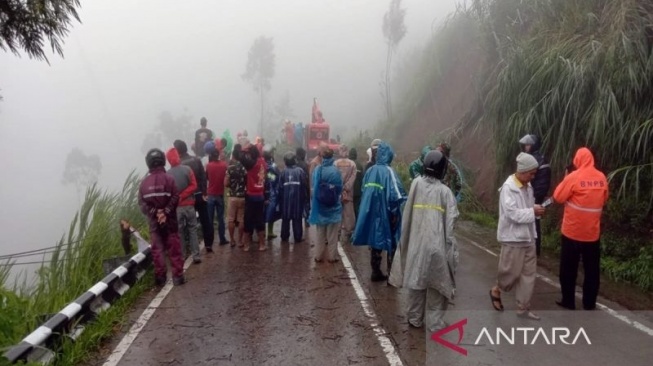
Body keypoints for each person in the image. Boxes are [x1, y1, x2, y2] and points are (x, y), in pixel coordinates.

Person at [389, 150, 459, 331]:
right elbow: (451, 223)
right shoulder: (446, 192)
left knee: (416, 283)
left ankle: (414, 319)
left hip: (416, 245)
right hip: (437, 248)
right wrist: (451, 251)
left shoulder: (415, 184)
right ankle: (435, 323)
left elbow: (407, 215)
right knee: (437, 287)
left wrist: (405, 240)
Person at [489, 152, 544, 320]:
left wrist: (535, 209)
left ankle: (523, 307)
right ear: (522, 170)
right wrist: (532, 211)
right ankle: (497, 289)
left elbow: (526, 208)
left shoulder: (528, 187)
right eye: (531, 173)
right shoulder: (509, 188)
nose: (533, 177)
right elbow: (512, 214)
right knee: (510, 273)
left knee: (528, 274)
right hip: (512, 237)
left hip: (528, 236)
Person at [553, 147, 608, 311]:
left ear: (578, 160)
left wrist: (565, 179)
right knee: (592, 271)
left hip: (572, 232)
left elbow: (558, 197)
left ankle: (568, 301)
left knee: (568, 269)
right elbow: (604, 199)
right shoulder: (601, 177)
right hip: (592, 234)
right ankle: (589, 303)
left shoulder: (573, 177)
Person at [353, 141, 407, 282]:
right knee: (391, 242)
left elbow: (364, 189)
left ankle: (375, 271)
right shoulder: (390, 172)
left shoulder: (370, 171)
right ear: (388, 155)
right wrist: (395, 213)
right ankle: (391, 275)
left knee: (376, 241)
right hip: (387, 213)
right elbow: (397, 195)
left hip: (371, 212)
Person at [138, 149, 185, 286]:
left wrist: (155, 212)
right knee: (174, 250)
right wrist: (165, 212)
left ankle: (160, 278)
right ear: (163, 161)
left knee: (158, 251)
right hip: (170, 222)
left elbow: (142, 204)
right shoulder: (169, 179)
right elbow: (176, 196)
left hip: (154, 225)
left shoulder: (144, 183)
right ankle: (178, 277)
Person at [174, 140, 214, 251]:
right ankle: (208, 244)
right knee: (205, 220)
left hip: (187, 198)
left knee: (189, 225)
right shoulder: (196, 160)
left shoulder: (179, 165)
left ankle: (191, 249)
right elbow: (203, 177)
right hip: (200, 195)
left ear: (177, 151)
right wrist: (204, 192)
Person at [166, 147, 201, 263]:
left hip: (177, 208)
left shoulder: (168, 175)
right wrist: (184, 195)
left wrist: (178, 197)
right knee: (192, 230)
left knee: (179, 232)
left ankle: (182, 256)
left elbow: (168, 193)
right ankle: (196, 255)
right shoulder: (187, 169)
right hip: (190, 204)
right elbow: (194, 185)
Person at [519, 134, 551, 257]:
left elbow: (539, 182)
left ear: (533, 145)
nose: (526, 147)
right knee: (534, 221)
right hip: (536, 195)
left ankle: (533, 250)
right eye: (526, 145)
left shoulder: (535, 160)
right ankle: (533, 250)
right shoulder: (539, 158)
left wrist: (533, 197)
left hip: (534, 195)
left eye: (528, 145)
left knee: (533, 221)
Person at [309, 148, 343, 263]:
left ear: (322, 157)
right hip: (333, 207)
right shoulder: (335, 171)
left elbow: (314, 185)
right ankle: (332, 257)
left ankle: (318, 256)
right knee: (332, 235)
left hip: (320, 207)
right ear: (332, 156)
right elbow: (339, 188)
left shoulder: (318, 170)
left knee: (320, 233)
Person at [234, 140, 268, 251]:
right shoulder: (263, 162)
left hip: (251, 195)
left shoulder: (251, 164)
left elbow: (240, 156)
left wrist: (244, 148)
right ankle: (262, 245)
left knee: (248, 220)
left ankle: (247, 245)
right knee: (260, 220)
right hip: (261, 195)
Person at [278, 152, 308, 243]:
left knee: (285, 219)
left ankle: (284, 236)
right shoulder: (300, 171)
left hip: (286, 201)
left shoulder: (283, 172)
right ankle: (298, 236)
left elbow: (280, 188)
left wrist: (280, 201)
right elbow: (304, 186)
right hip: (298, 201)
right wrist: (305, 198)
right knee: (297, 218)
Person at [206, 149, 230, 246]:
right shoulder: (224, 165)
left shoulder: (208, 166)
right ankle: (222, 239)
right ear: (218, 155)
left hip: (210, 195)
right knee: (221, 219)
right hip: (220, 194)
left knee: (210, 220)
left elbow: (207, 177)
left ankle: (210, 241)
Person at [334, 145, 357, 245]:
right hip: (348, 193)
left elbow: (334, 176)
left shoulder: (335, 163)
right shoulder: (352, 164)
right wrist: (346, 187)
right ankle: (349, 234)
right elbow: (353, 177)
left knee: (338, 212)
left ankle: (337, 233)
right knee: (348, 214)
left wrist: (340, 187)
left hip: (337, 192)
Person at [225, 146, 247, 247]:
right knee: (241, 219)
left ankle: (232, 240)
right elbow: (247, 181)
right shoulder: (244, 168)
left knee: (230, 219)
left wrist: (231, 185)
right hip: (242, 196)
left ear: (233, 156)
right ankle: (240, 241)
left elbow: (225, 183)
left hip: (232, 196)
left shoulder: (230, 168)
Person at [263, 144, 281, 240]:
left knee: (263, 213)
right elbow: (275, 179)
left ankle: (265, 233)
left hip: (262, 191)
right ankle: (269, 232)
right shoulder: (272, 166)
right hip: (272, 192)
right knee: (271, 213)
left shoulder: (260, 164)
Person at [296, 147, 311, 228]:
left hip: (296, 189)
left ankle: (298, 222)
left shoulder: (294, 163)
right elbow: (307, 178)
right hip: (304, 188)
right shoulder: (305, 165)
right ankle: (307, 221)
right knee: (306, 205)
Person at [349, 147, 363, 218]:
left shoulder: (347, 164)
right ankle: (357, 224)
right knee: (357, 208)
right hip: (357, 191)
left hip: (348, 190)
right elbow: (362, 178)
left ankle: (349, 224)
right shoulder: (360, 165)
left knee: (348, 209)